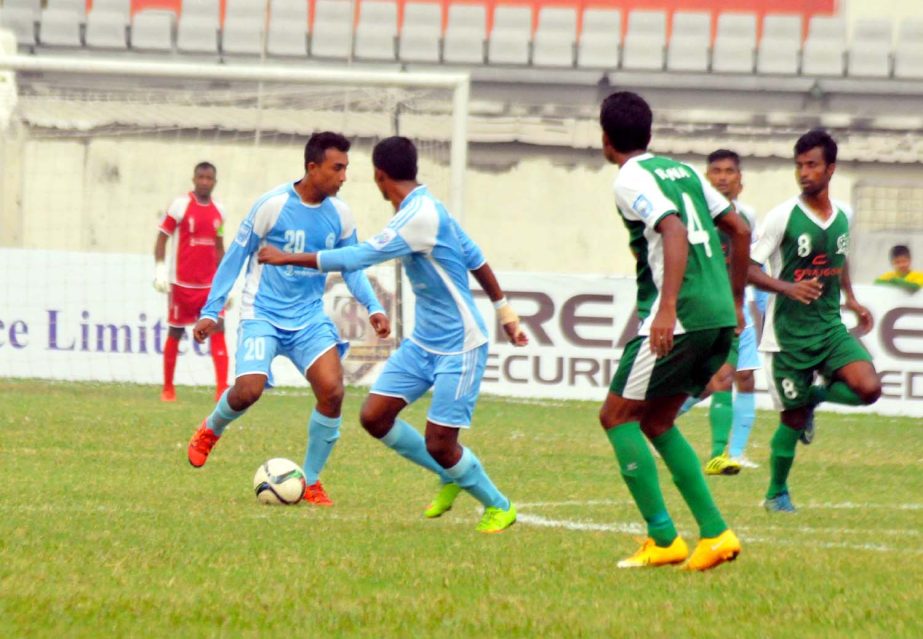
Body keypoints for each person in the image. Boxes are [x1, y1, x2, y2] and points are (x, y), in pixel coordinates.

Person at [256, 136, 527, 533]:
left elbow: (358, 257)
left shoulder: (419, 217)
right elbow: (476, 258)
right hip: (423, 342)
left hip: (461, 344)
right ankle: (451, 473)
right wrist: (505, 309)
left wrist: (286, 257)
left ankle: (499, 506)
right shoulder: (426, 207)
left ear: (379, 176)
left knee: (441, 443)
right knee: (375, 416)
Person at [186, 132, 390, 507]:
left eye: (346, 168)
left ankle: (310, 481)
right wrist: (211, 310)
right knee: (248, 390)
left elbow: (351, 265)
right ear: (312, 168)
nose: (343, 176)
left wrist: (373, 307)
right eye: (337, 168)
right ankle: (210, 429)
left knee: (333, 391)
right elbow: (234, 257)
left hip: (309, 318)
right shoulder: (272, 205)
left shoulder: (341, 215)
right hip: (262, 313)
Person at [597, 92, 750, 571]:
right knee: (658, 420)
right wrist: (738, 300)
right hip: (718, 313)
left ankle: (663, 537)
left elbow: (673, 229)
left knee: (616, 416)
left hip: (680, 317)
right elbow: (740, 229)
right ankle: (715, 533)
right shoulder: (682, 171)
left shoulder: (629, 179)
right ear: (649, 132)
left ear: (605, 139)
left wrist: (665, 310)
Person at [748, 129, 881, 513]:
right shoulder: (782, 217)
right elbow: (747, 269)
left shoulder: (844, 216)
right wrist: (787, 288)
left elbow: (838, 258)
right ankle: (776, 493)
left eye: (812, 165)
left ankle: (815, 398)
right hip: (788, 338)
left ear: (831, 169)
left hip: (828, 328)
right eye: (799, 166)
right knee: (789, 421)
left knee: (868, 389)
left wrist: (851, 298)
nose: (804, 173)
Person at [675, 149, 762, 473]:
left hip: (734, 308)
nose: (723, 177)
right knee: (699, 381)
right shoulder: (691, 215)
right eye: (716, 171)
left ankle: (721, 454)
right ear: (706, 177)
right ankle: (656, 423)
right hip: (698, 308)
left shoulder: (747, 217)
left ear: (739, 178)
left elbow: (750, 262)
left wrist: (747, 303)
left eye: (729, 171)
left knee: (731, 377)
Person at [153, 162, 229, 403]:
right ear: (194, 179)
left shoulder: (220, 211)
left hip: (209, 287)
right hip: (182, 284)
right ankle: (168, 388)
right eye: (201, 177)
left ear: (214, 182)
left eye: (209, 178)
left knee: (219, 329)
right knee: (176, 330)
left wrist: (226, 282)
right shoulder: (180, 205)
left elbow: (219, 248)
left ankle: (221, 390)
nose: (205, 181)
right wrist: (160, 269)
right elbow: (162, 238)